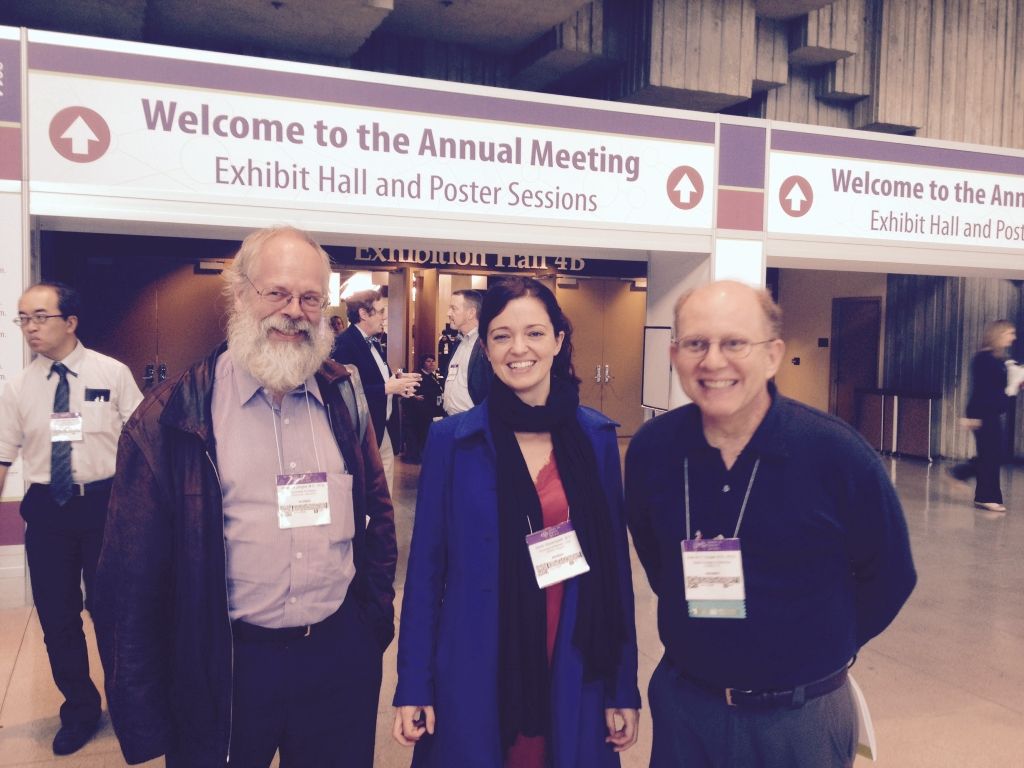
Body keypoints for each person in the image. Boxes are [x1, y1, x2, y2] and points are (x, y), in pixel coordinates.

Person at [93, 226, 397, 767]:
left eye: (309, 298)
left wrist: (370, 626)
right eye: (277, 293)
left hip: (336, 658)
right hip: (223, 665)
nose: (295, 311)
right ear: (239, 295)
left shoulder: (343, 397)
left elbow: (378, 516)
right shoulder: (171, 417)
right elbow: (128, 580)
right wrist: (142, 716)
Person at [625, 280, 916, 768]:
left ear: (773, 355)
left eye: (735, 342)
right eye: (696, 343)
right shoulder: (653, 450)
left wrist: (814, 647)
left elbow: (890, 576)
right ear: (674, 354)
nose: (713, 361)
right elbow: (657, 561)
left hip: (799, 720)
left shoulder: (835, 453)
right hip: (686, 710)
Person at [393, 277, 640, 767]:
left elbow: (615, 572)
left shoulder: (593, 439)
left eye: (534, 333)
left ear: (558, 341)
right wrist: (413, 682)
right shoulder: (452, 442)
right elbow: (425, 575)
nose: (518, 348)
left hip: (574, 658)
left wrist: (622, 686)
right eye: (502, 335)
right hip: (474, 661)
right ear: (485, 346)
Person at [0, 281, 142, 756]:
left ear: (70, 321)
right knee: (58, 620)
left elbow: (141, 442)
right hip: (48, 511)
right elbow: (2, 456)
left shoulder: (112, 372)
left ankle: (128, 705)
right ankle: (80, 707)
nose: (30, 328)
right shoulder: (17, 387)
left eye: (40, 316)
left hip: (105, 507)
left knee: (112, 614)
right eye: (23, 319)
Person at [333, 289, 420, 490]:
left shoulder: (375, 342)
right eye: (381, 311)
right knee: (371, 488)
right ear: (363, 314)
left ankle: (384, 520)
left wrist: (399, 382)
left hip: (382, 426)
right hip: (363, 430)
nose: (385, 316)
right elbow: (345, 391)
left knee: (385, 483)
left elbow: (377, 378)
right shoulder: (345, 344)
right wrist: (386, 388)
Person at [950, 320, 1018, 512]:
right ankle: (977, 488)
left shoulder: (998, 360)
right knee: (991, 454)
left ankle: (983, 494)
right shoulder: (984, 359)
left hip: (991, 411)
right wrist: (972, 417)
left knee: (994, 454)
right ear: (998, 334)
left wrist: (1014, 382)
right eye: (1009, 333)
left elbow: (1000, 388)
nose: (1013, 337)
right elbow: (983, 390)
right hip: (983, 412)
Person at [442, 289, 491, 415]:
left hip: (474, 424)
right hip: (453, 421)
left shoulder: (487, 343)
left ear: (471, 313)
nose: (448, 313)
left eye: (454, 308)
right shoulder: (459, 341)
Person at [403, 354, 444, 463]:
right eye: (428, 361)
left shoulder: (433, 376)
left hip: (430, 413)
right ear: (423, 363)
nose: (432, 364)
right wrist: (414, 397)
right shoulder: (418, 377)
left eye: (433, 361)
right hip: (419, 415)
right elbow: (408, 392)